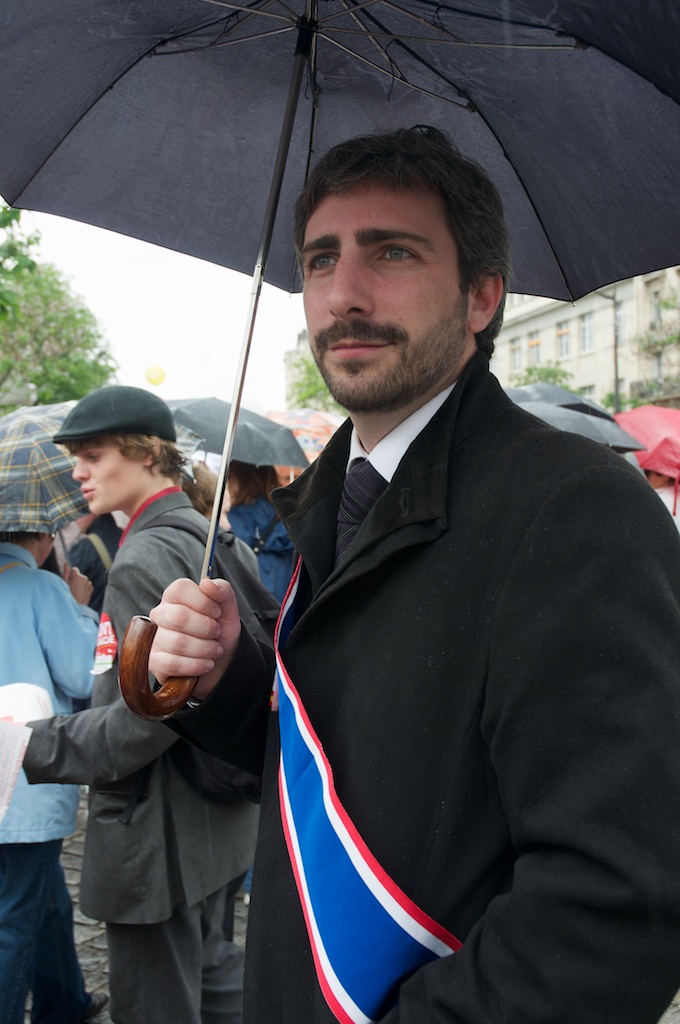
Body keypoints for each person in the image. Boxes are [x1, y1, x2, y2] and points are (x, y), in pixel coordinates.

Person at [146, 126, 680, 1024]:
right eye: (320, 260)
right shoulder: (331, 504)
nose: (344, 294)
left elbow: (620, 898)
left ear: (481, 296)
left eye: (391, 252)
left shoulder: (575, 508)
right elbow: (368, 775)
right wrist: (228, 682)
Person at [21, 386, 260, 1024]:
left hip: (158, 839)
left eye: (92, 455)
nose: (78, 472)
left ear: (145, 453)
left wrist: (31, 744)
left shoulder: (145, 553)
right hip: (214, 824)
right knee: (216, 985)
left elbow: (151, 712)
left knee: (159, 1007)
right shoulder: (205, 532)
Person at [0, 530, 106, 1024]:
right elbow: (84, 675)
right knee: (16, 917)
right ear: (41, 533)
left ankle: (65, 1002)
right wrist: (81, 606)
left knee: (45, 902)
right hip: (23, 777)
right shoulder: (40, 588)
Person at [227, 460, 294, 602]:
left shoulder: (238, 514)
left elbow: (234, 554)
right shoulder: (285, 511)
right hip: (284, 594)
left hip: (254, 595)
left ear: (240, 477)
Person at [68, 513, 123, 614]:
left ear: (92, 514)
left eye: (78, 514)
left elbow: (69, 589)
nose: (75, 520)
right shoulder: (126, 538)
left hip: (97, 621)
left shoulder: (85, 547)